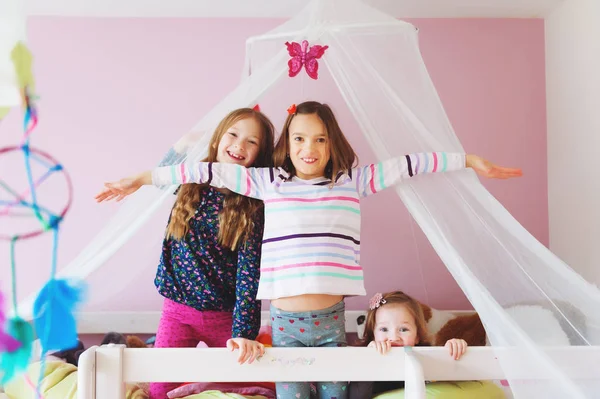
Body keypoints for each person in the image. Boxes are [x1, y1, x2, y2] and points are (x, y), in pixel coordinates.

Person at [95, 101, 521, 399]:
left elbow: (409, 165)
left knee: (334, 392)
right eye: (299, 139)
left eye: (319, 140)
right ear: (287, 144)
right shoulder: (268, 184)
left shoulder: (352, 182)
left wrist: (468, 160)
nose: (308, 149)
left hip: (331, 323)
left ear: (332, 144)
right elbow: (202, 170)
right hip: (283, 324)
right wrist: (138, 179)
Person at [97, 107, 274, 399]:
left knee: (243, 389)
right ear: (217, 140)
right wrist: (188, 140)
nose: (240, 145)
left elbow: (249, 275)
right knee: (160, 390)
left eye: (252, 142)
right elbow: (165, 170)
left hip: (226, 318)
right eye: (233, 134)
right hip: (178, 312)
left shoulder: (252, 206)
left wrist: (243, 332)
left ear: (259, 155)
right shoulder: (191, 183)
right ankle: (154, 346)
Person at [349, 291, 468, 398]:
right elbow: (356, 397)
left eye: (403, 329)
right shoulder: (364, 360)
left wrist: (453, 350)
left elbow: (450, 382)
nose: (394, 338)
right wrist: (368, 360)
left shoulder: (427, 357)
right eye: (384, 329)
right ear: (373, 334)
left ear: (417, 336)